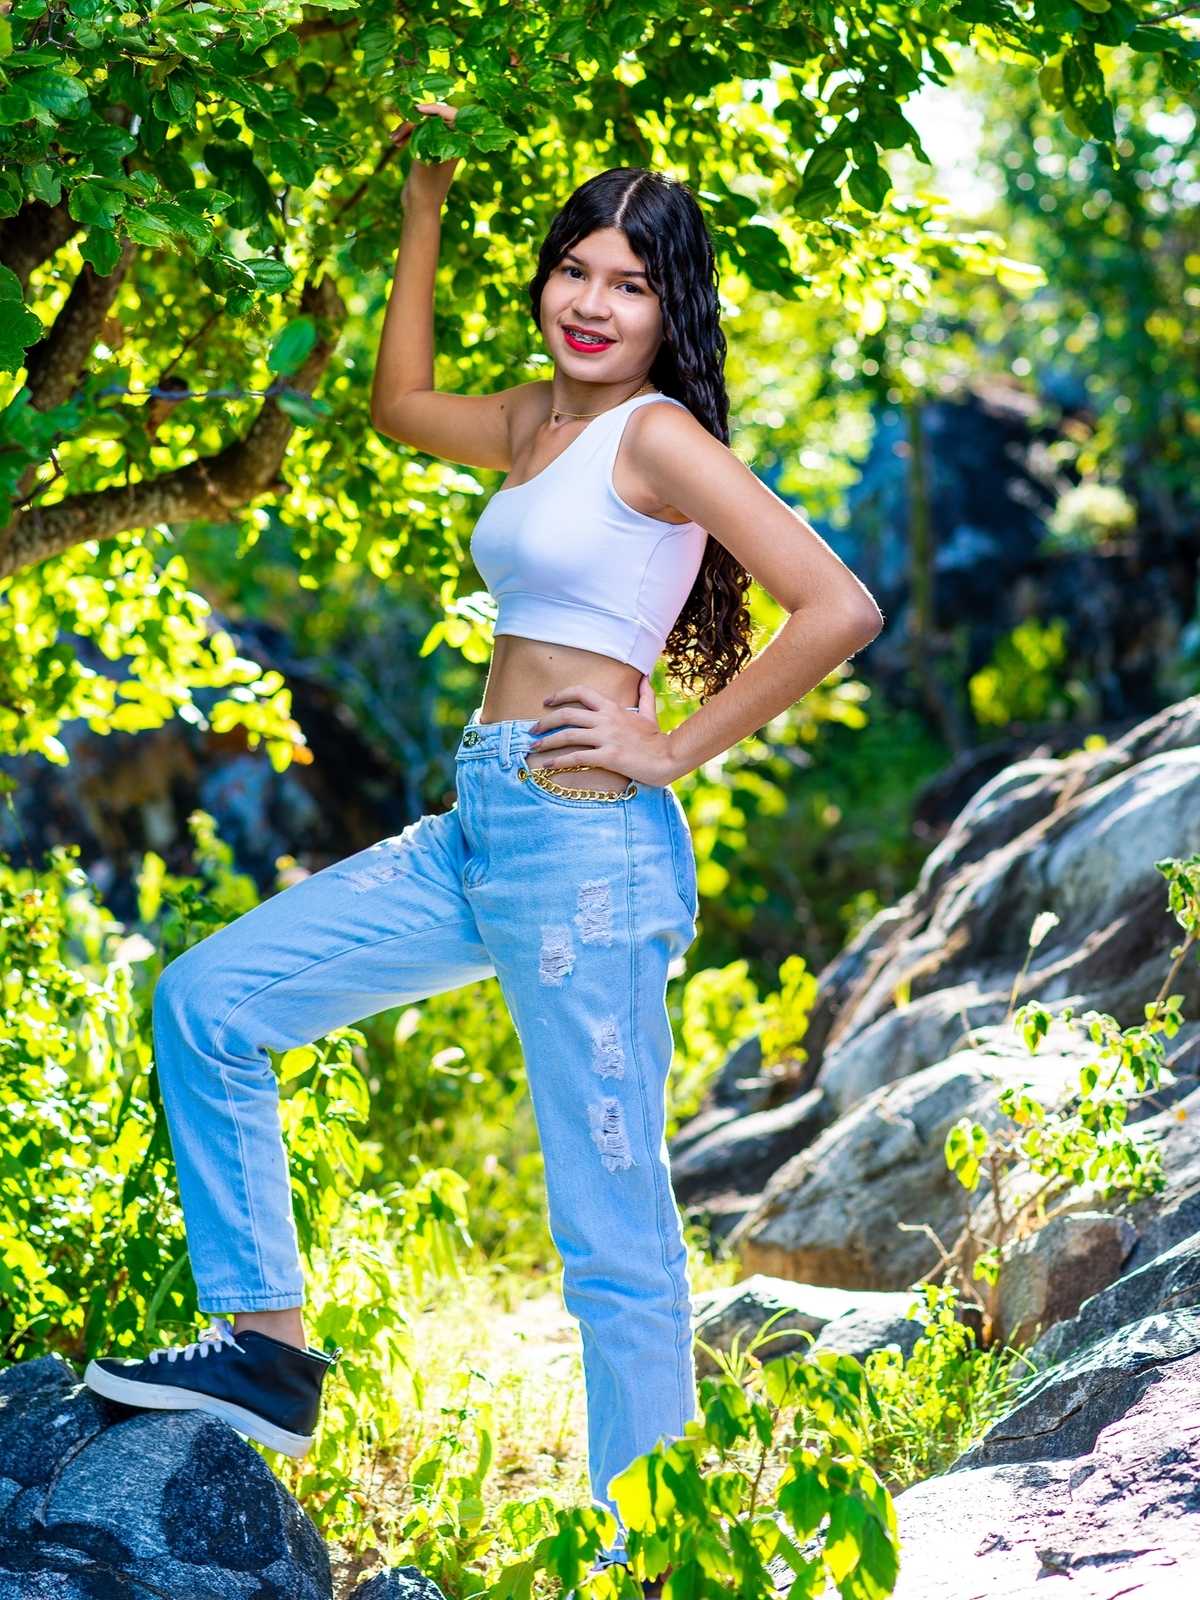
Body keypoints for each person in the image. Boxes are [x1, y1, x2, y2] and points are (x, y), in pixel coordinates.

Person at [85, 106, 882, 1524]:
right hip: (482, 825)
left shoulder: (658, 435)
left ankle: (651, 1545)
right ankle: (267, 1355)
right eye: (576, 270)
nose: (594, 303)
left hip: (589, 846)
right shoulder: (533, 419)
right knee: (208, 1005)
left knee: (611, 1234)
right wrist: (421, 212)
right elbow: (399, 405)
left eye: (631, 283)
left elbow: (838, 605)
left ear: (670, 311)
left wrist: (670, 747)